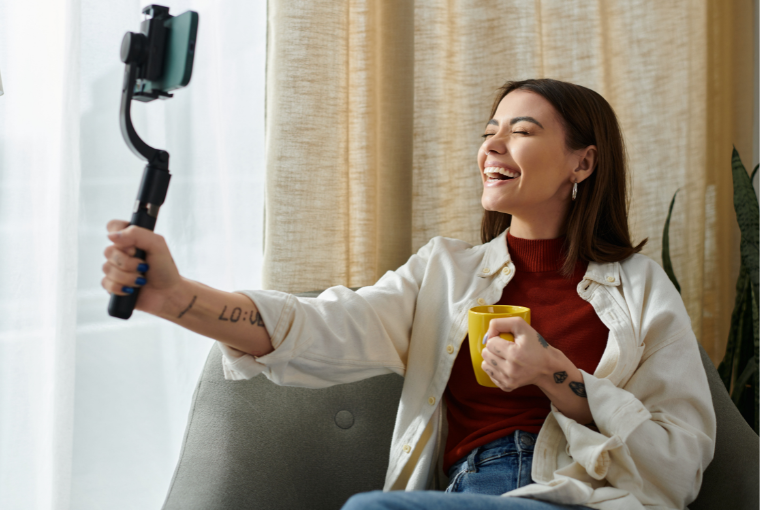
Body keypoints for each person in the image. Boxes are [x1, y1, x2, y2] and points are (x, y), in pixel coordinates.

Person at [101, 78, 716, 510]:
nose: (492, 147)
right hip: (472, 493)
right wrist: (176, 297)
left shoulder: (640, 288)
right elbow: (322, 327)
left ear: (582, 165)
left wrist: (556, 375)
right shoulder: (443, 274)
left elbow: (680, 461)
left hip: (587, 498)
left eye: (521, 132)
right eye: (489, 131)